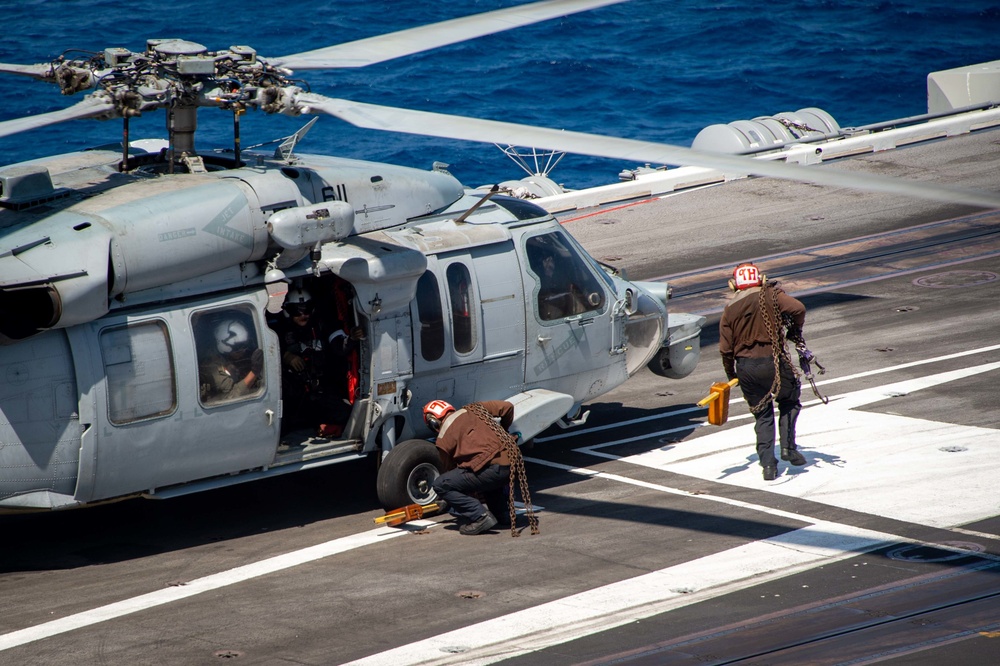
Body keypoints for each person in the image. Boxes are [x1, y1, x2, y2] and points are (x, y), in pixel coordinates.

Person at [718, 262, 808, 480]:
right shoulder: (772, 295)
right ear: (761, 280)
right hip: (774, 361)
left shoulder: (729, 310)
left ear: (734, 285)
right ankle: (788, 448)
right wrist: (794, 330)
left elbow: (725, 350)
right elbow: (798, 309)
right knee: (789, 400)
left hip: (746, 368)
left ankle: (768, 466)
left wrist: (733, 376)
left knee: (762, 414)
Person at [275, 287, 360, 435]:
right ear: (288, 311)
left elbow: (339, 346)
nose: (303, 315)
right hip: (293, 394)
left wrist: (351, 338)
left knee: (348, 415)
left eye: (307, 309)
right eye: (297, 311)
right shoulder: (279, 331)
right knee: (280, 427)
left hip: (321, 391)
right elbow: (265, 354)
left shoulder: (322, 325)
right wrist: (286, 357)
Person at [426, 399, 515, 535]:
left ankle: (481, 517)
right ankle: (502, 514)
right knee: (485, 475)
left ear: (433, 423)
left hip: (491, 471)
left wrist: (454, 499)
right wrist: (504, 430)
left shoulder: (443, 439)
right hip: (512, 465)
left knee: (441, 484)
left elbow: (451, 473)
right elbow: (508, 407)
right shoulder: (475, 408)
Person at [199, 318, 263, 403]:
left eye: (245, 345)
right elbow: (232, 396)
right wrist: (254, 373)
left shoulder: (225, 355)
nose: (243, 351)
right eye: (239, 348)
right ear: (225, 347)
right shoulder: (212, 366)